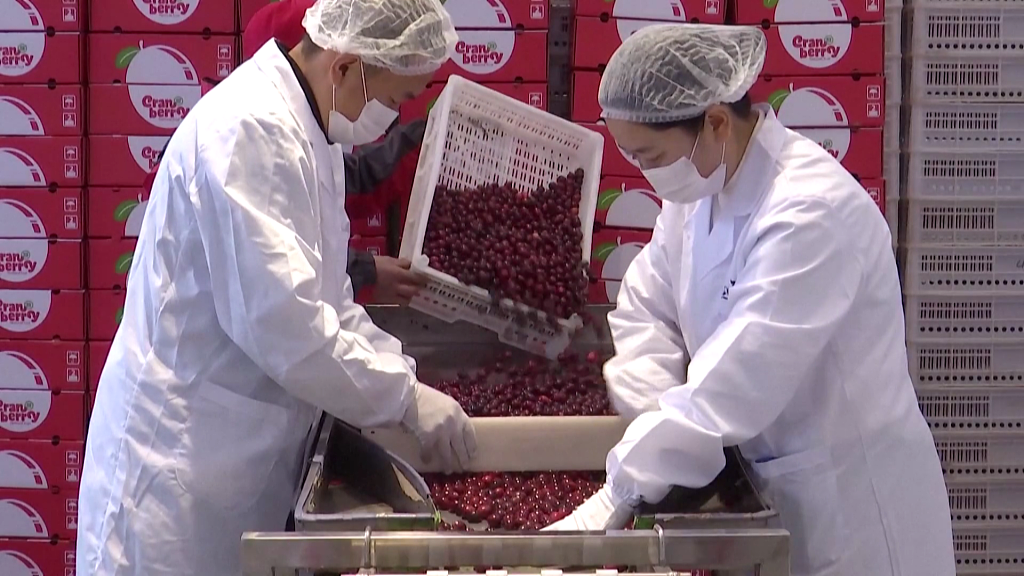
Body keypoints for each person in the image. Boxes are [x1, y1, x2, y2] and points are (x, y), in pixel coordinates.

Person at [76, 1, 476, 574]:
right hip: (173, 474)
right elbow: (287, 328)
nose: (389, 116)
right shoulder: (247, 134)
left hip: (233, 462)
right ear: (344, 67)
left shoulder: (314, 130)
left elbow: (327, 298)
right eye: (393, 99)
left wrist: (401, 375)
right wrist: (404, 399)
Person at [543, 24, 956, 576]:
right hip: (770, 489)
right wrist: (652, 406)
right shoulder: (700, 186)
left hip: (851, 505)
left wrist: (617, 492)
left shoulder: (809, 213)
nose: (645, 171)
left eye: (649, 154)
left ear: (714, 120)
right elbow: (648, 302)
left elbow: (736, 380)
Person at [140, 0, 428, 305]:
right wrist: (360, 273)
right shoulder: (245, 139)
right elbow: (274, 288)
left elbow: (339, 185)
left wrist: (418, 142)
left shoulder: (307, 126)